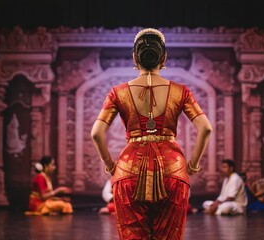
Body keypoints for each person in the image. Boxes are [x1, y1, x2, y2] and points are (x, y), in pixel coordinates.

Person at [91, 28, 213, 239]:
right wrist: (192, 165)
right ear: (163, 57)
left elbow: (96, 133)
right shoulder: (180, 91)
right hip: (172, 169)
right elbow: (206, 128)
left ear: (134, 58)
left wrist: (110, 164)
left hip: (129, 170)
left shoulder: (117, 93)